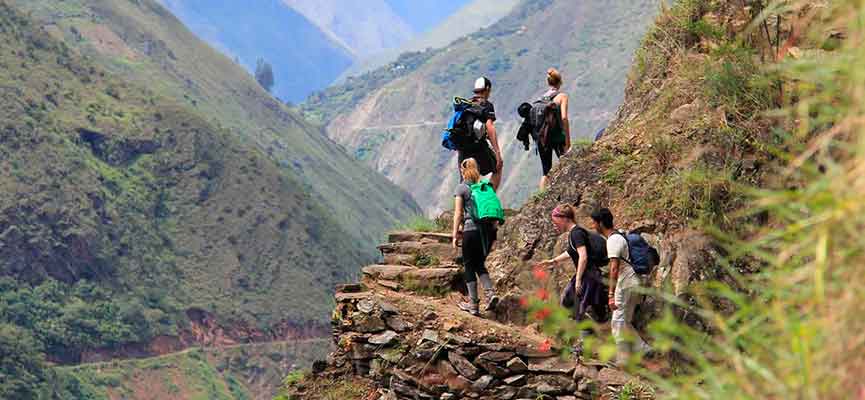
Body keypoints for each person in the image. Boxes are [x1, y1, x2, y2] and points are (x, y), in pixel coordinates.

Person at [590, 208, 651, 365]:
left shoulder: (613, 240)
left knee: (617, 321)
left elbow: (614, 268)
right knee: (625, 321)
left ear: (601, 223)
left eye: (594, 223)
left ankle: (623, 360)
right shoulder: (619, 236)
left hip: (625, 283)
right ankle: (644, 349)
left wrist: (611, 294)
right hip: (634, 281)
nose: (593, 226)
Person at [534, 205, 607, 335]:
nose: (554, 225)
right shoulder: (575, 233)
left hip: (588, 276)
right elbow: (571, 252)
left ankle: (589, 335)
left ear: (564, 218)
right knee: (568, 301)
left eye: (555, 221)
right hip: (586, 275)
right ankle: (591, 330)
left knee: (577, 308)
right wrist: (552, 261)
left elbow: (583, 256)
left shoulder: (576, 233)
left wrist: (578, 280)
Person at [452, 158, 500, 316]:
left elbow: (458, 213)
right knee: (479, 263)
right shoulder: (485, 187)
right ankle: (490, 293)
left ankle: (473, 304)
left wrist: (455, 234)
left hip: (470, 230)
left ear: (463, 170)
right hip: (487, 232)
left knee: (468, 265)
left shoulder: (462, 188)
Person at [458, 76, 503, 191]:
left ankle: (463, 201)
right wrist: (498, 153)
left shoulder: (466, 104)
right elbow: (490, 127)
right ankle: (488, 197)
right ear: (487, 89)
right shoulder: (486, 105)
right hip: (479, 148)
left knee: (466, 180)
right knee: (498, 167)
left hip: (462, 149)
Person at [538, 68, 571, 190]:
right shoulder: (562, 96)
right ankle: (566, 190)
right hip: (557, 136)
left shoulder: (542, 98)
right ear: (560, 82)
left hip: (543, 137)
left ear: (548, 82)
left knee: (545, 172)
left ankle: (541, 197)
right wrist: (567, 140)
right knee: (566, 164)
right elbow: (564, 118)